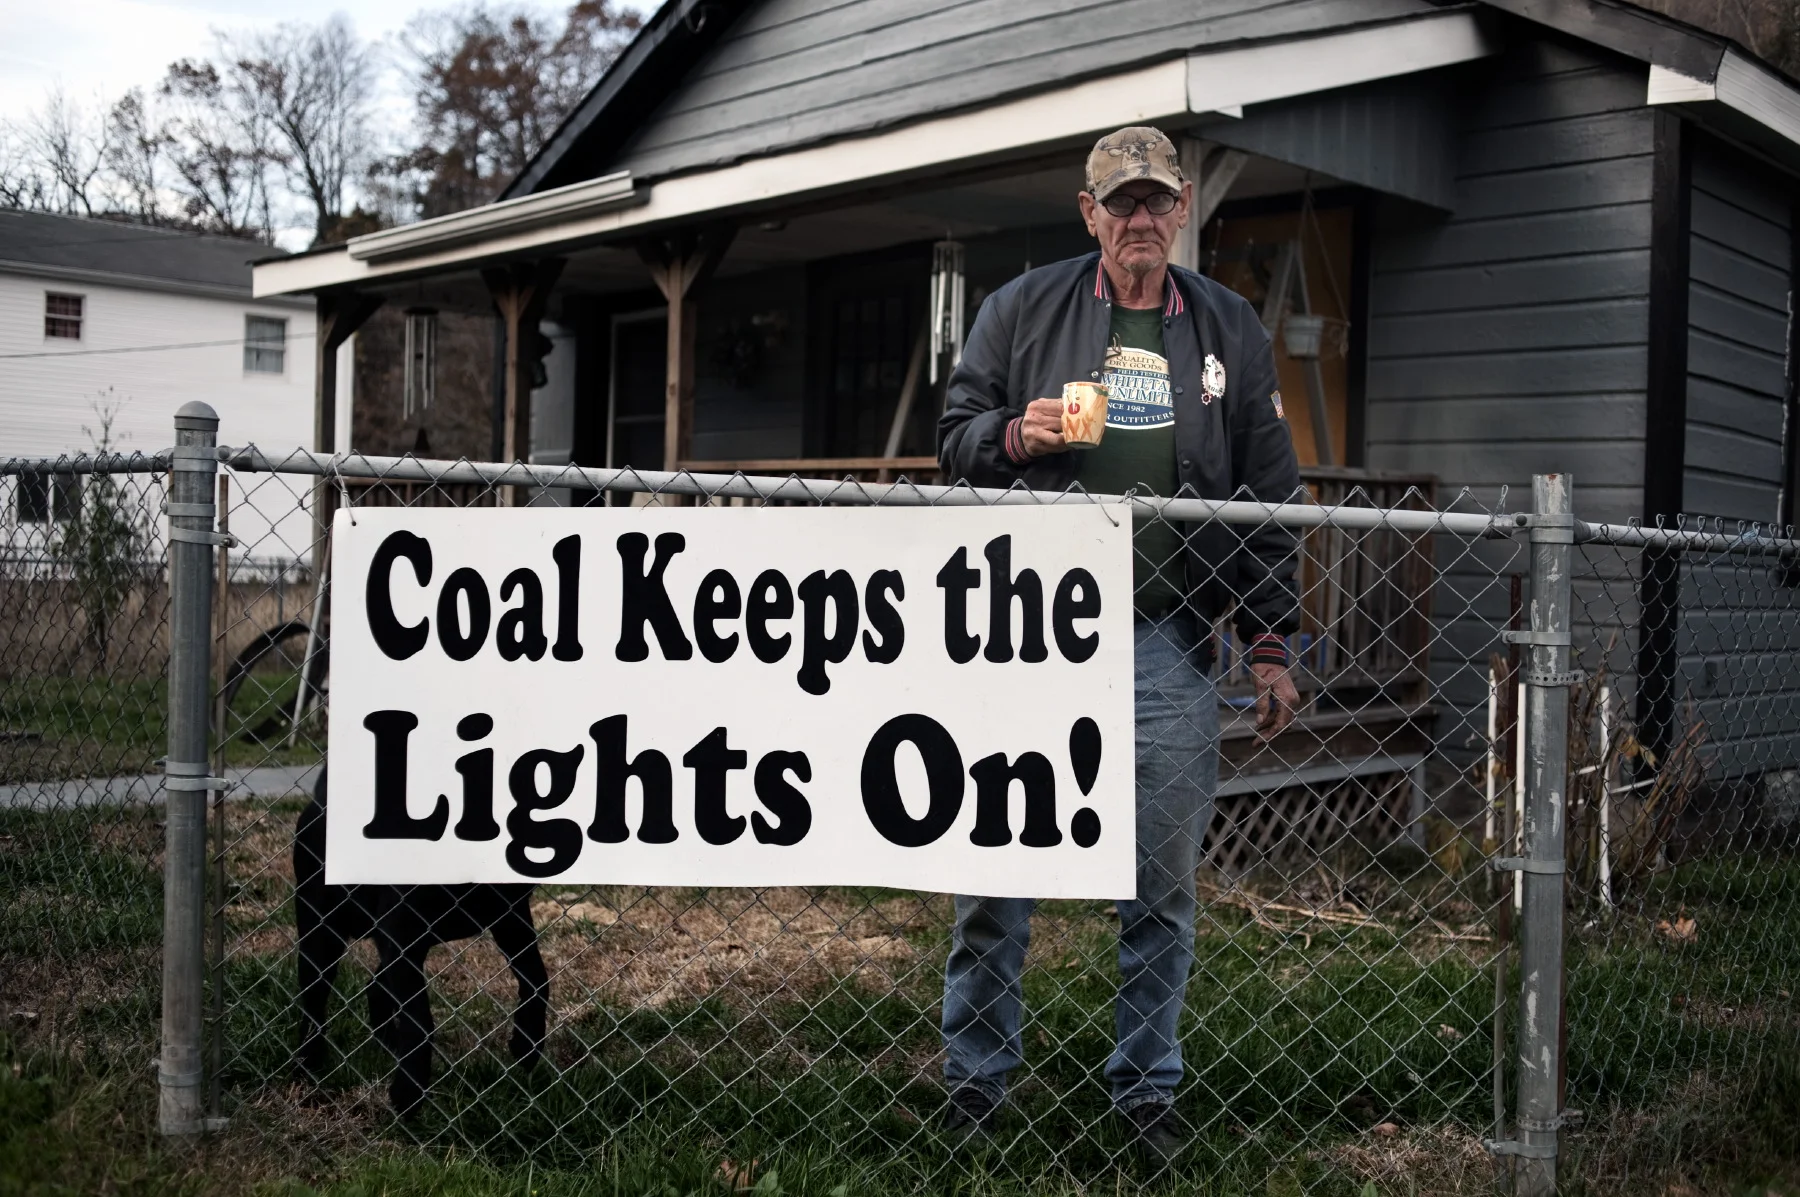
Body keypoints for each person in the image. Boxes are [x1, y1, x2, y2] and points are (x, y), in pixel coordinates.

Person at [935, 125, 1303, 1162]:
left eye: (1156, 202)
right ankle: (975, 1085)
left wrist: (1269, 643)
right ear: (1088, 214)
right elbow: (953, 437)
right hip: (1030, 635)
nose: (1139, 220)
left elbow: (1270, 498)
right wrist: (1016, 436)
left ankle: (1147, 1090)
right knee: (992, 868)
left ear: (1182, 209)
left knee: (1161, 886)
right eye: (1119, 203)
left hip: (1167, 635)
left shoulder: (1227, 326)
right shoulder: (1023, 310)